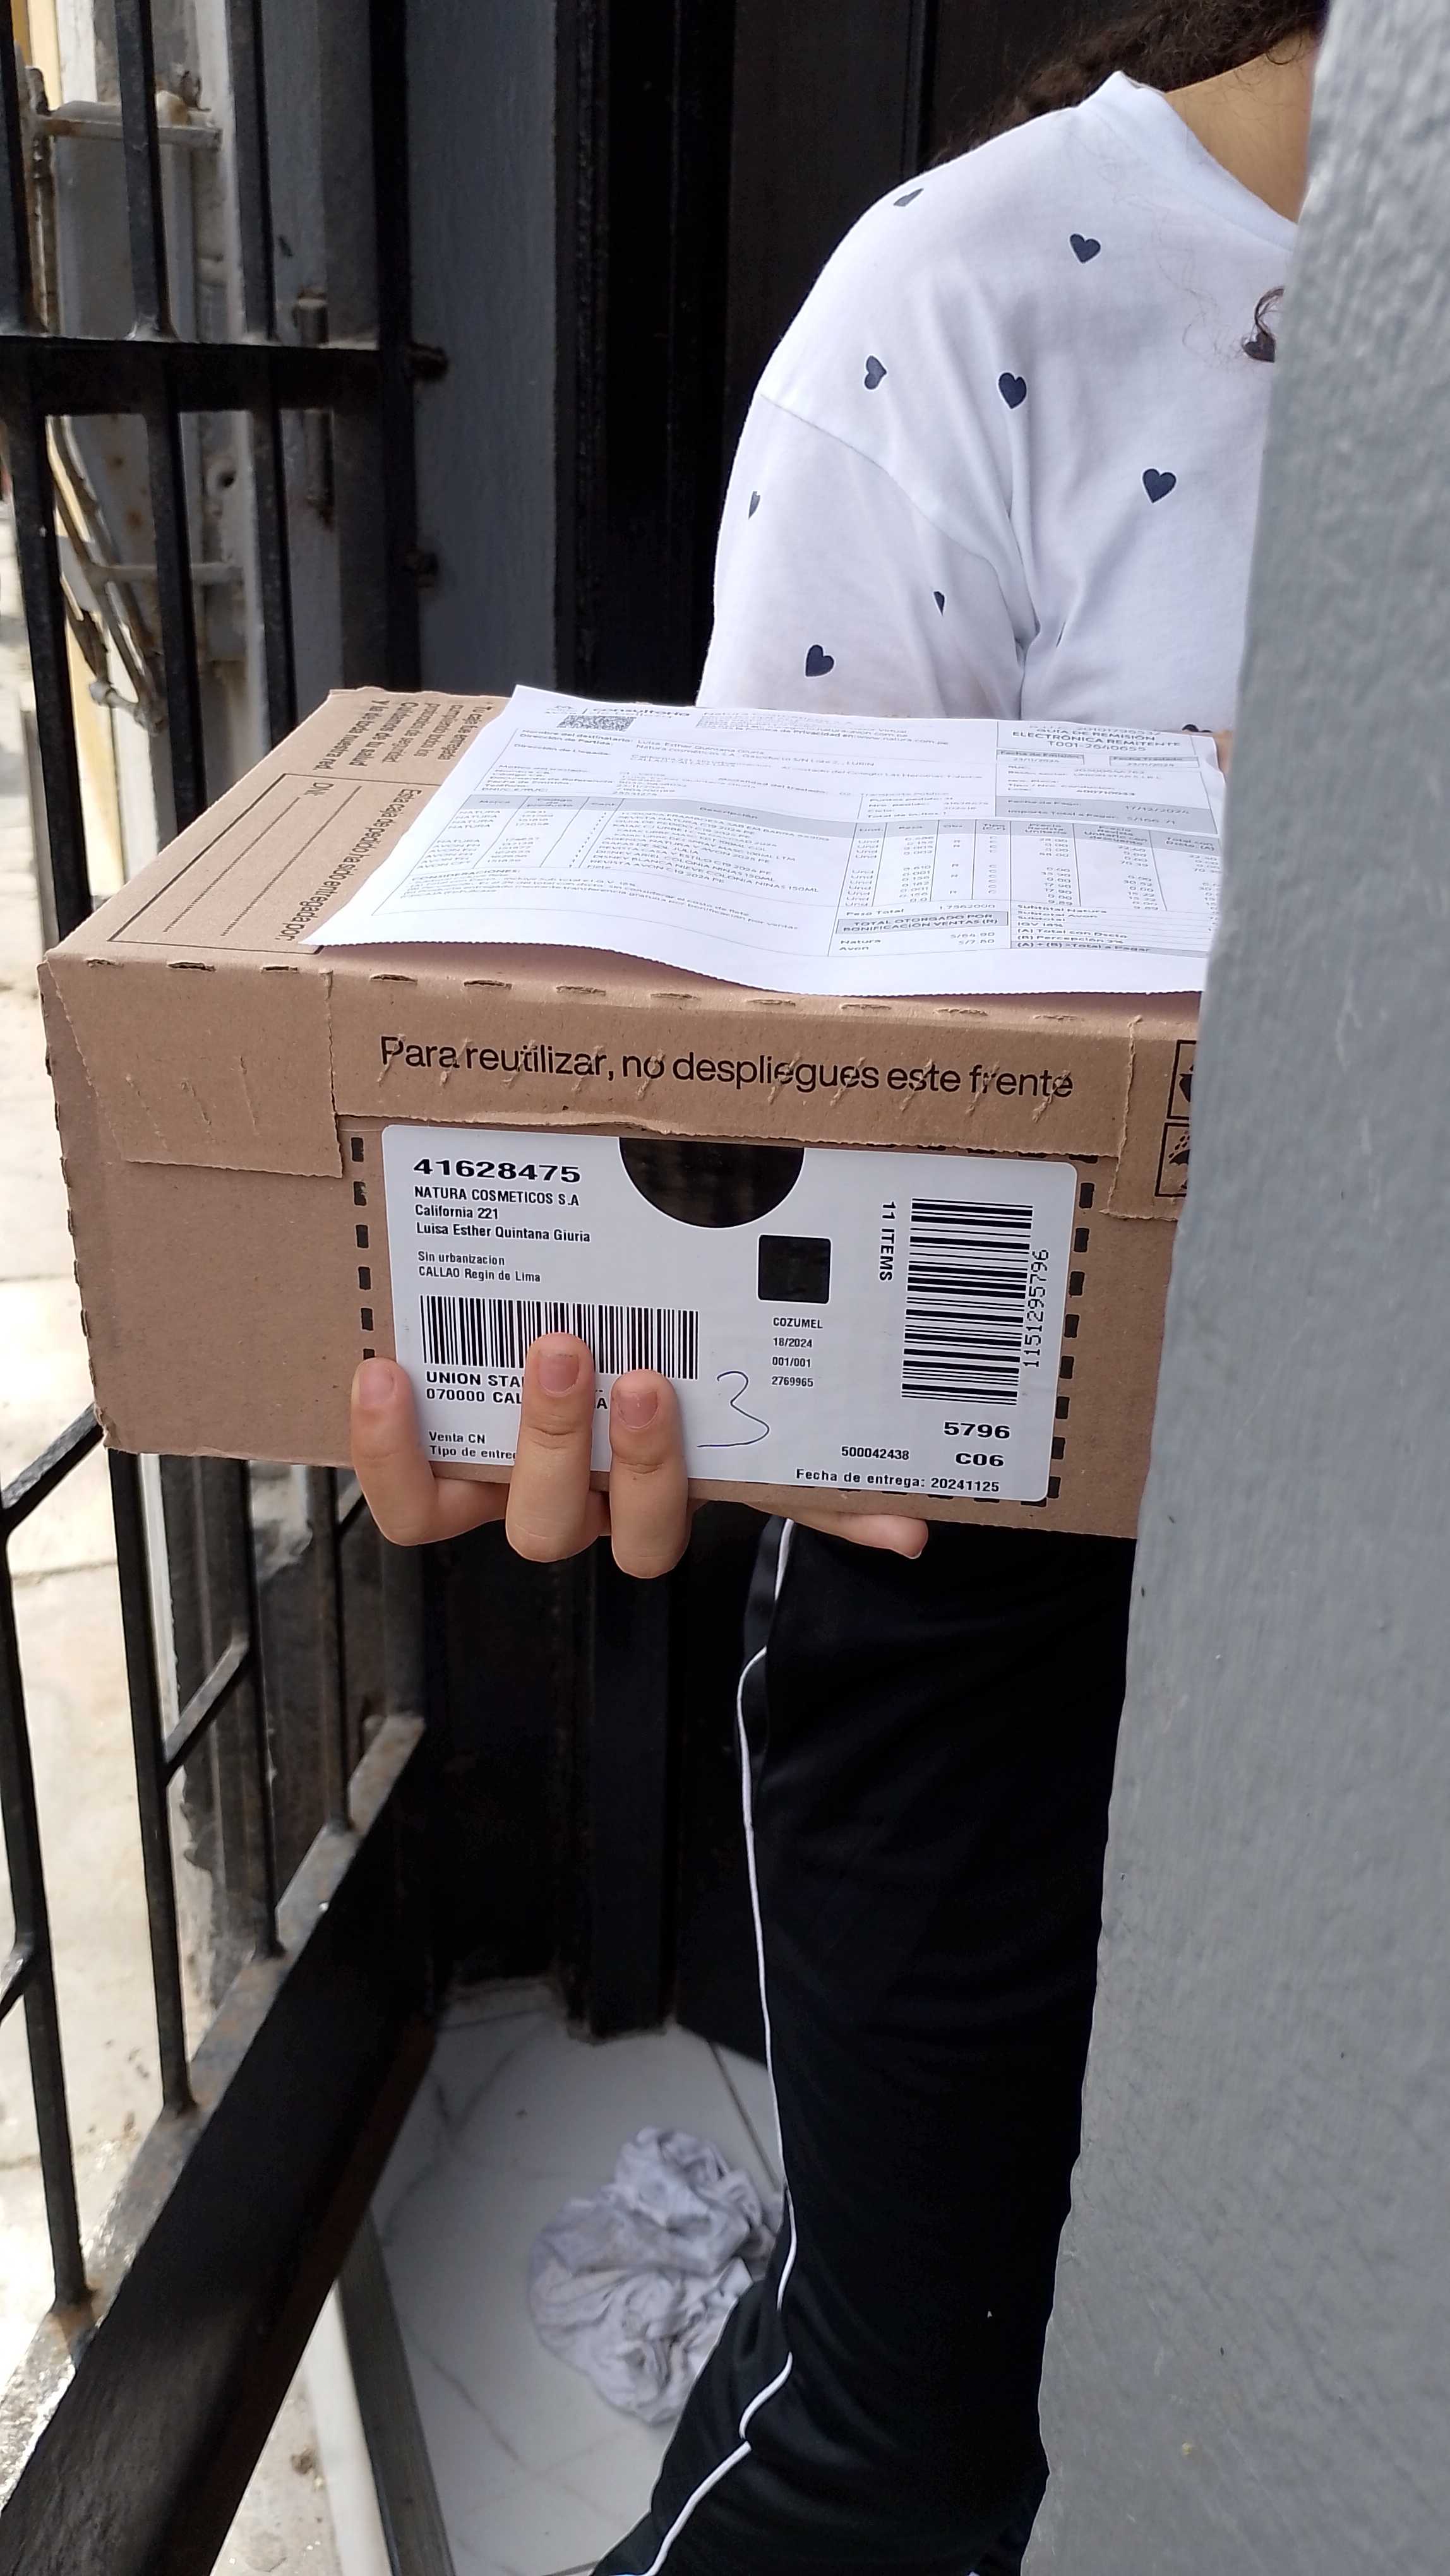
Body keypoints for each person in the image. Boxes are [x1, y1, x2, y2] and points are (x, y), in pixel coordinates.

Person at [351, 7, 1325, 2568]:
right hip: (1004, 1600)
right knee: (908, 2431)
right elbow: (753, 1091)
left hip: (1377, 1598)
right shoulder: (976, 301)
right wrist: (596, 1326)